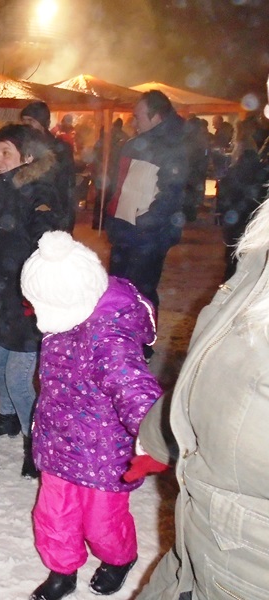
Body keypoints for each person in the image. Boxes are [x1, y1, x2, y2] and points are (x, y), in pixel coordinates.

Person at [134, 161, 269, 599]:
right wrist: (158, 434)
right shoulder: (258, 261)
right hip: (202, 543)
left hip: (246, 568)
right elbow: (218, 369)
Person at [20, 231, 162, 600]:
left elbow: (134, 389)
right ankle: (62, 570)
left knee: (103, 523)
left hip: (103, 451)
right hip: (58, 441)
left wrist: (156, 437)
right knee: (54, 515)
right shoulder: (65, 320)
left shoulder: (108, 338)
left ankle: (119, 559)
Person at [0, 124, 62, 479]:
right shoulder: (0, 190)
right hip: (2, 293)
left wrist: (39, 288)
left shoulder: (40, 194)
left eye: (6, 153)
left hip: (28, 300)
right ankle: (7, 418)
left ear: (27, 157)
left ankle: (35, 441)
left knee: (19, 379)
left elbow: (49, 243)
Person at [105, 90, 188, 318]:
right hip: (126, 230)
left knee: (141, 293)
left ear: (156, 117)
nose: (134, 122)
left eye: (138, 117)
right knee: (120, 290)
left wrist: (144, 224)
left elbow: (171, 196)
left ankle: (143, 336)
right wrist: (114, 220)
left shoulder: (172, 148)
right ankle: (123, 334)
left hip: (147, 236)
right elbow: (120, 187)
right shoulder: (136, 144)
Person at [216, 118, 266, 280]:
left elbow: (227, 192)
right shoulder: (257, 166)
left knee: (234, 249)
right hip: (247, 211)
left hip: (237, 211)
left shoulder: (244, 146)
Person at [20, 101, 76, 232]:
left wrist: (66, 225)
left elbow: (68, 188)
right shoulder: (21, 147)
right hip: (25, 216)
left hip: (51, 216)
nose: (26, 125)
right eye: (24, 121)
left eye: (31, 121)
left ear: (44, 123)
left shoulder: (60, 149)